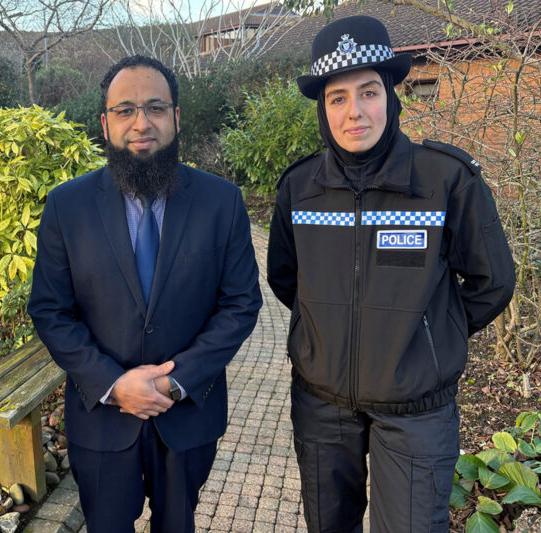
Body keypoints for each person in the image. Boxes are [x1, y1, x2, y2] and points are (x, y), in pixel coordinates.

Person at [268, 15, 516, 532]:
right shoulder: (299, 189)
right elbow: (287, 280)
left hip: (416, 415)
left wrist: (427, 334)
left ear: (392, 95)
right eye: (337, 98)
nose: (354, 112)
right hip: (321, 409)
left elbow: (492, 281)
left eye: (368, 92)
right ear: (323, 108)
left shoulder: (447, 180)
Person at [28, 55, 262, 533]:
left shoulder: (222, 202)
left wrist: (176, 381)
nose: (142, 123)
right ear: (105, 122)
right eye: (126, 110)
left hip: (187, 414)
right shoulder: (66, 205)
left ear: (176, 117)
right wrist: (115, 385)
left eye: (155, 108)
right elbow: (51, 311)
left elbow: (240, 305)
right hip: (102, 419)